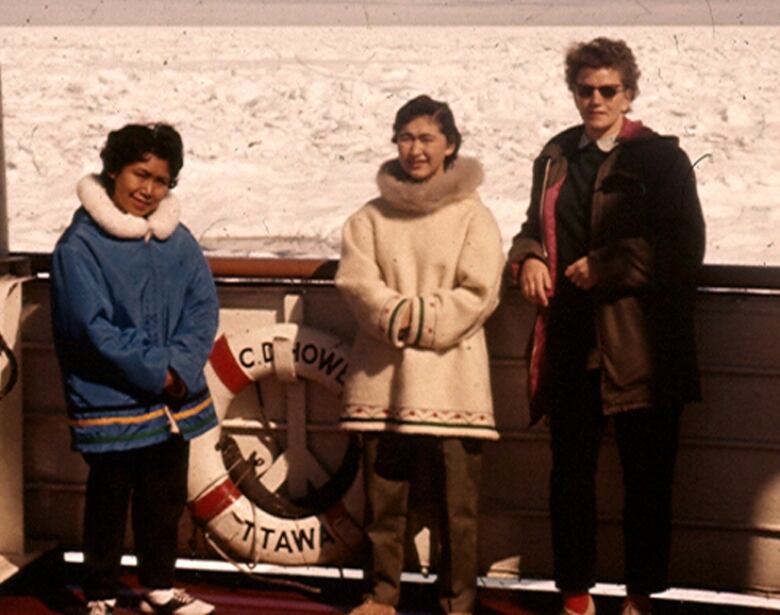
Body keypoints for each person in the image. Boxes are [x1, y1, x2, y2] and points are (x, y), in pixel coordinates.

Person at [509, 38, 705, 615]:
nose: (595, 99)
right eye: (585, 89)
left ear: (629, 93)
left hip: (640, 346)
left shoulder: (660, 159)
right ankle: (575, 597)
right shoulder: (555, 156)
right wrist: (529, 257)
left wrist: (609, 265)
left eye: (607, 90)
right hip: (569, 342)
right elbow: (530, 226)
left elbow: (683, 247)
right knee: (569, 479)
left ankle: (639, 601)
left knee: (646, 483)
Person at [336, 95, 504, 615]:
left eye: (427, 138)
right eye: (406, 137)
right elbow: (357, 282)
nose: (416, 149)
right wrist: (393, 313)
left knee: (459, 506)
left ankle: (457, 602)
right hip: (383, 379)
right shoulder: (369, 218)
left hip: (454, 381)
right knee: (384, 502)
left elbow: (481, 291)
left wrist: (419, 319)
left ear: (450, 145)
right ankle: (382, 594)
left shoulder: (473, 216)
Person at [51, 123, 219, 615]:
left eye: (161, 181)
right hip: (110, 396)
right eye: (138, 175)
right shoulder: (80, 245)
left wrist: (180, 367)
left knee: (165, 495)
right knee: (109, 498)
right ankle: (100, 593)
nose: (147, 190)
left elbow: (202, 307)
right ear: (113, 171)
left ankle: (159, 588)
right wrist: (157, 371)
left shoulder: (178, 240)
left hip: (171, 396)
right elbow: (91, 327)